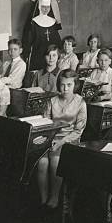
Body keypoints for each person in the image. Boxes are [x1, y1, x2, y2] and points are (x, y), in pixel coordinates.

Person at [36, 69, 87, 209]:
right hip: (51, 138)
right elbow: (45, 124)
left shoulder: (80, 102)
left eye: (69, 85)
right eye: (63, 85)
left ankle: (54, 196)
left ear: (75, 85)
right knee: (42, 162)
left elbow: (79, 130)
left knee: (55, 162)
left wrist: (61, 142)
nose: (65, 88)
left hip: (69, 140)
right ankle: (43, 197)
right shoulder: (52, 101)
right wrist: (48, 139)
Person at [23, 0, 62, 71]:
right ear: (39, 7)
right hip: (38, 54)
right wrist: (26, 53)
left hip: (51, 55)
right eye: (43, 7)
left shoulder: (53, 22)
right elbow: (28, 40)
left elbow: (57, 39)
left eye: (48, 7)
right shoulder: (34, 22)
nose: (46, 9)